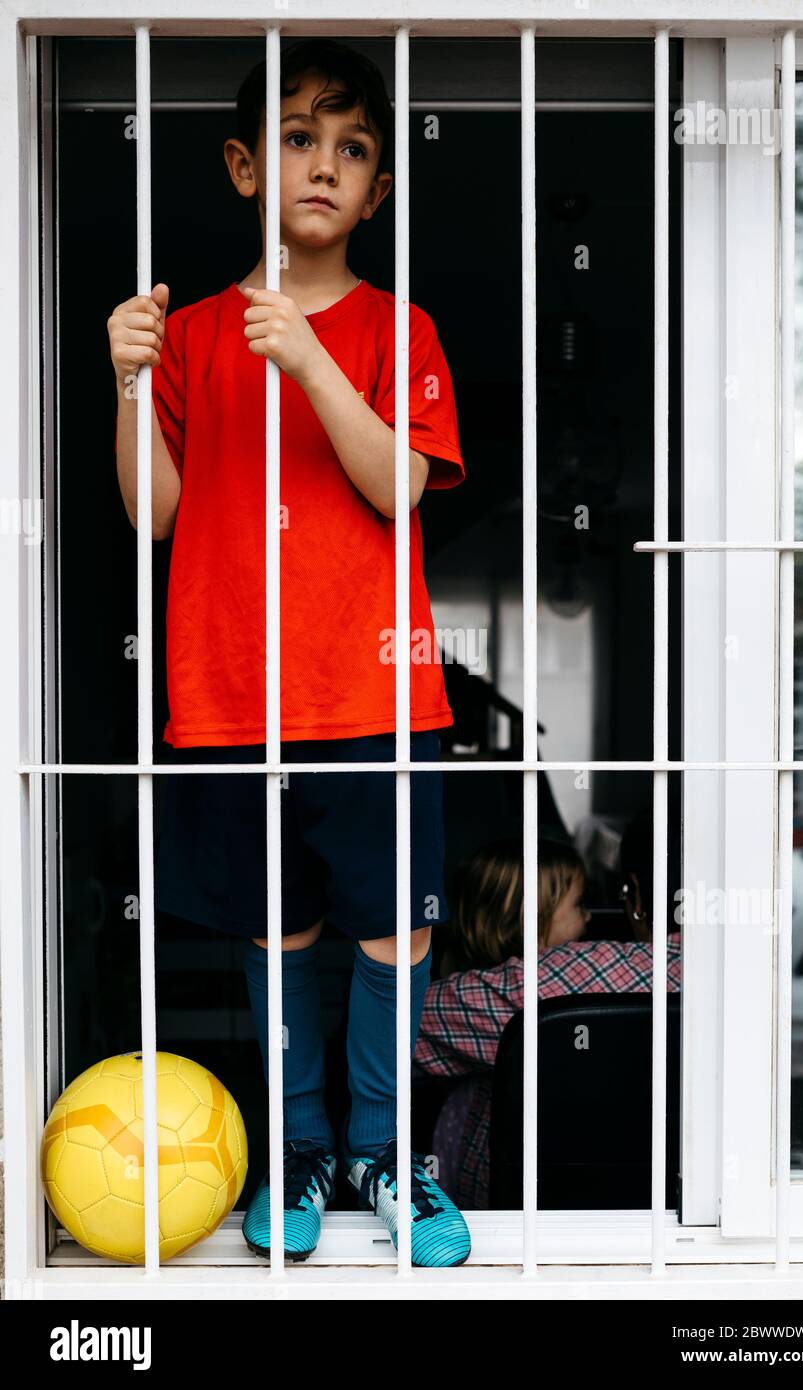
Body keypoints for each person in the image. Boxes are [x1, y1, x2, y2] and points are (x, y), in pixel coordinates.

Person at [108, 38, 470, 1267]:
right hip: (232, 699)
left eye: (353, 148)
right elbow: (153, 512)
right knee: (276, 935)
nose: (324, 164)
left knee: (394, 934)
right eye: (299, 138)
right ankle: (301, 1147)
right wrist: (125, 382)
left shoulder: (397, 326)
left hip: (370, 686)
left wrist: (307, 355)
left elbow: (398, 487)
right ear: (244, 165)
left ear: (379, 190)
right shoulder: (196, 334)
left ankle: (384, 1147)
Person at [413, 816, 682, 1209]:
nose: (591, 915)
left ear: (637, 895)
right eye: (580, 904)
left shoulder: (524, 987)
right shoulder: (745, 983)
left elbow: (403, 1023)